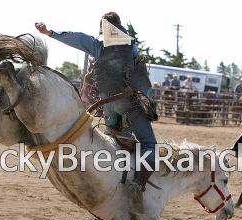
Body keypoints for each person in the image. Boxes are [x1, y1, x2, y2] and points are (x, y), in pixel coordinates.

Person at [35, 12, 158, 200]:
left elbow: (76, 38)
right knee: (148, 143)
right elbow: (141, 76)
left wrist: (51, 32)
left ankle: (106, 176)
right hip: (127, 103)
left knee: (112, 139)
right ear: (119, 25)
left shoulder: (98, 45)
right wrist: (149, 99)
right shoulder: (131, 48)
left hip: (106, 105)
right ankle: (137, 183)